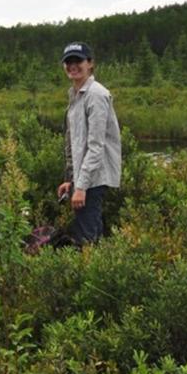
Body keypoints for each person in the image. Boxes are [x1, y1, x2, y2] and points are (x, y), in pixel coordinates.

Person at [56, 42, 122, 245]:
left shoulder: (96, 95)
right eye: (69, 61)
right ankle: (100, 264)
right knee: (92, 229)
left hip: (95, 177)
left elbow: (96, 146)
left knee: (85, 237)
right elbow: (73, 142)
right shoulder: (75, 94)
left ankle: (89, 270)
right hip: (84, 177)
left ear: (90, 64)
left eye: (78, 60)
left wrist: (81, 186)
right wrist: (71, 179)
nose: (73, 65)